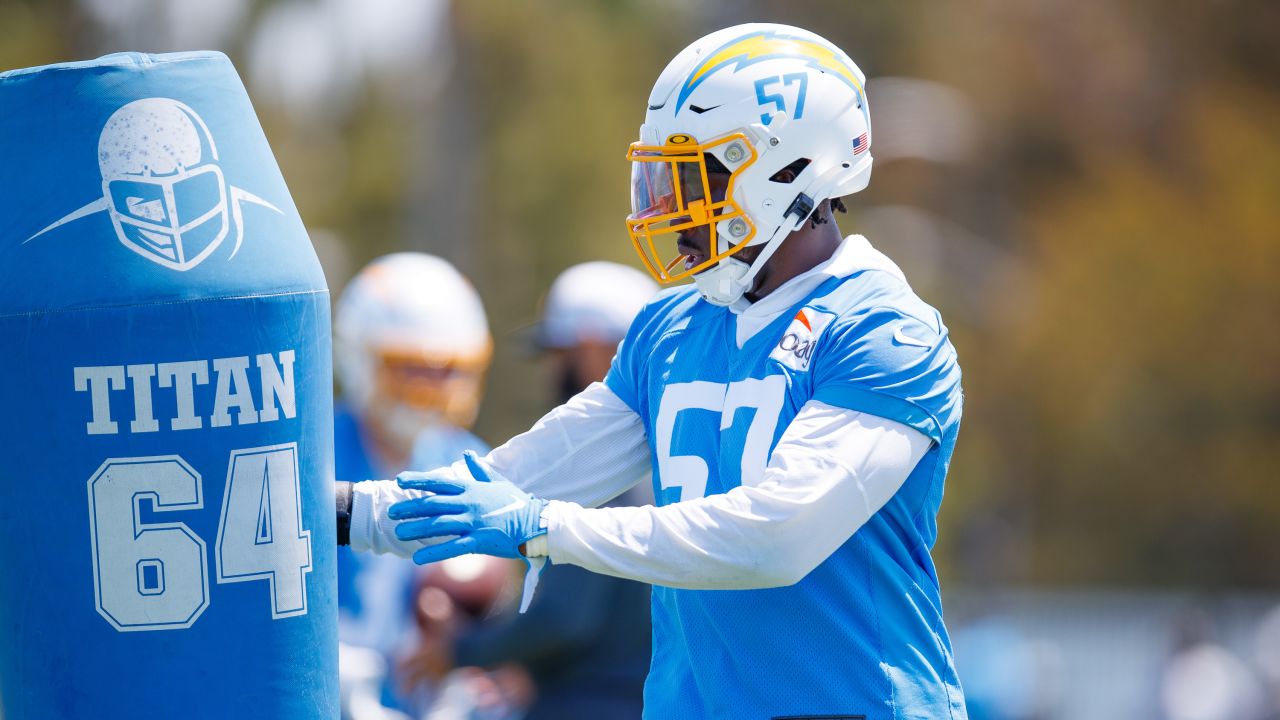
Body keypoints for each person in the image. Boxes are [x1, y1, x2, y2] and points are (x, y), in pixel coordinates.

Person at [342, 23, 967, 718]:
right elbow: (516, 481)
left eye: (696, 174)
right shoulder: (673, 326)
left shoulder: (886, 331)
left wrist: (545, 528)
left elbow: (774, 539)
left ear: (786, 171)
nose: (671, 205)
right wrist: (339, 512)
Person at [332, 252, 493, 718]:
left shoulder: (472, 459)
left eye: (449, 371)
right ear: (359, 357)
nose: (431, 388)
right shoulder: (314, 452)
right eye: (411, 369)